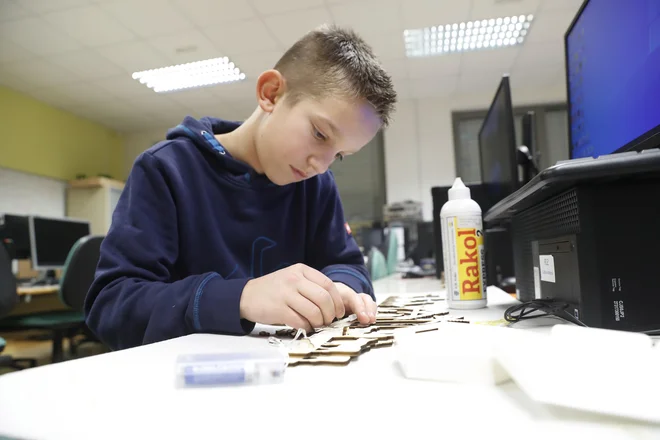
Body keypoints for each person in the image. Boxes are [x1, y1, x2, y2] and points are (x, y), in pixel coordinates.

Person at [84, 24, 397, 350]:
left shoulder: (316, 186)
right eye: (319, 134)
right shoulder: (166, 169)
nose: (321, 164)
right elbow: (111, 304)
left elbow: (348, 265)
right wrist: (240, 298)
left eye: (340, 156)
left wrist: (341, 288)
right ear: (271, 93)